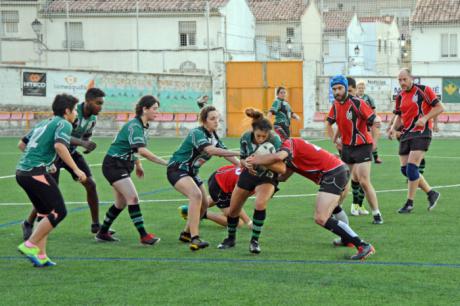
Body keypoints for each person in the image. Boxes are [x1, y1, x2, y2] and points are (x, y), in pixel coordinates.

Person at [246, 137, 375, 260]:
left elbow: (278, 157)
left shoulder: (288, 145)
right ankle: (347, 240)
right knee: (333, 208)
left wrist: (256, 160)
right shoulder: (289, 153)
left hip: (333, 174)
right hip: (336, 172)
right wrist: (265, 177)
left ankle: (363, 245)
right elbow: (283, 177)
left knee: (321, 218)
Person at [19, 88, 106, 241]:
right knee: (49, 192)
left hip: (70, 153)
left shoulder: (92, 118)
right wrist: (82, 143)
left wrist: (87, 144)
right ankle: (28, 223)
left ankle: (96, 224)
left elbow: (85, 136)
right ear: (88, 101)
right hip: (56, 154)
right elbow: (61, 139)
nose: (100, 107)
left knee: (90, 184)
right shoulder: (72, 113)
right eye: (98, 103)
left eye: (102, 104)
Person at [16, 94, 87, 267]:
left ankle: (40, 256)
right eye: (75, 111)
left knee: (45, 212)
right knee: (59, 212)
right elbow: (59, 146)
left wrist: (46, 162)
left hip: (22, 172)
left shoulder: (44, 122)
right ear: (67, 111)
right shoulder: (64, 123)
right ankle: (30, 244)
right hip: (35, 173)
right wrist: (76, 169)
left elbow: (22, 144)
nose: (77, 114)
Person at [95, 95, 168, 245]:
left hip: (121, 164)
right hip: (114, 165)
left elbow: (132, 149)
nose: (157, 112)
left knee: (120, 203)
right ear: (144, 109)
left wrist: (138, 165)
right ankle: (144, 236)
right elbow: (142, 150)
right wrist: (166, 162)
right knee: (133, 198)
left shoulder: (141, 126)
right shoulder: (135, 126)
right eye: (154, 109)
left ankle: (102, 232)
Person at [167, 105, 240, 251]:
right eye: (212, 119)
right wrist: (240, 154)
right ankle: (195, 239)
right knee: (196, 195)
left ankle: (186, 233)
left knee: (205, 204)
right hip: (177, 169)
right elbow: (210, 150)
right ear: (204, 120)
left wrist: (241, 165)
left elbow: (225, 153)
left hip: (191, 172)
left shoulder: (213, 136)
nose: (216, 122)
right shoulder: (197, 133)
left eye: (217, 119)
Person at [218, 108, 284, 254]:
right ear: (253, 131)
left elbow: (282, 168)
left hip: (268, 176)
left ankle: (254, 241)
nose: (261, 139)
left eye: (264, 136)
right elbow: (242, 159)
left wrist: (262, 161)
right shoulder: (245, 137)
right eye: (258, 135)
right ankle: (230, 238)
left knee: (260, 203)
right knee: (233, 208)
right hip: (249, 174)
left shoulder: (275, 140)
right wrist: (245, 163)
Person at [326, 75, 383, 224]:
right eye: (334, 89)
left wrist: (375, 141)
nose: (337, 92)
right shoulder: (335, 105)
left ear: (345, 88)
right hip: (347, 148)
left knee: (364, 180)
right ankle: (334, 210)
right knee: (343, 183)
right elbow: (329, 124)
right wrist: (335, 140)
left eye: (339, 88)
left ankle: (377, 214)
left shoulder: (358, 103)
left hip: (363, 146)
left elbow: (374, 121)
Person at [388, 68, 444, 213]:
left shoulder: (424, 90)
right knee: (404, 169)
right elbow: (399, 115)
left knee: (412, 168)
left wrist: (425, 118)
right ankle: (431, 193)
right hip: (407, 134)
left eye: (404, 79)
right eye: (399, 80)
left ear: (411, 78)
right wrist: (393, 129)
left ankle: (409, 203)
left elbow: (439, 107)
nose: (402, 83)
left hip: (422, 132)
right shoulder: (400, 96)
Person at [178, 164, 253, 229]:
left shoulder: (257, 175)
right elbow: (236, 202)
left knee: (218, 201)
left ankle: (190, 209)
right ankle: (201, 214)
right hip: (219, 185)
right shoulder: (249, 182)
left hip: (220, 176)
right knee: (238, 223)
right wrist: (249, 222)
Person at [356, 80, 382, 164]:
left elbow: (373, 110)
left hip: (368, 121)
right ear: (357, 88)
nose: (361, 89)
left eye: (362, 88)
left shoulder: (368, 98)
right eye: (359, 88)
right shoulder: (354, 97)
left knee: (370, 139)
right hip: (357, 122)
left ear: (364, 88)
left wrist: (375, 119)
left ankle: (376, 157)